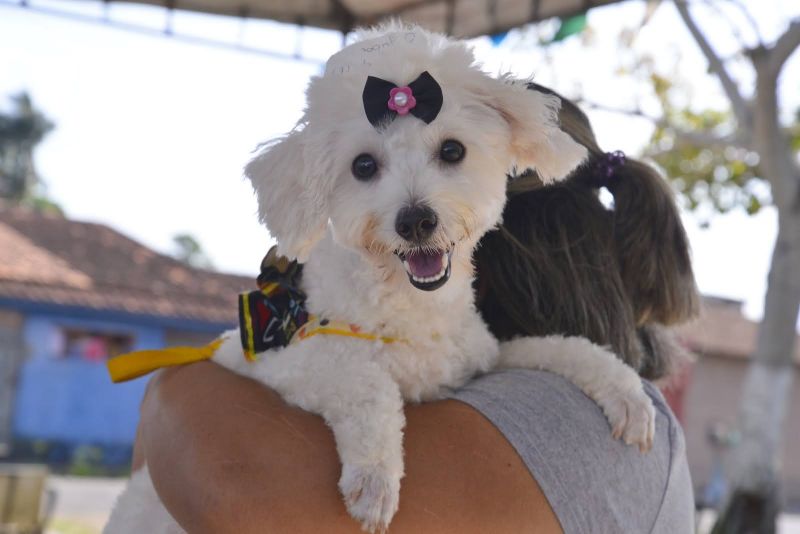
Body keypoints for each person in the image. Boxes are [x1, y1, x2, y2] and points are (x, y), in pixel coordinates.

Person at [130, 84, 699, 533]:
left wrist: (171, 387)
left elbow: (236, 492)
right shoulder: (506, 375)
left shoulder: (570, 413)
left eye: (450, 158)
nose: (410, 213)